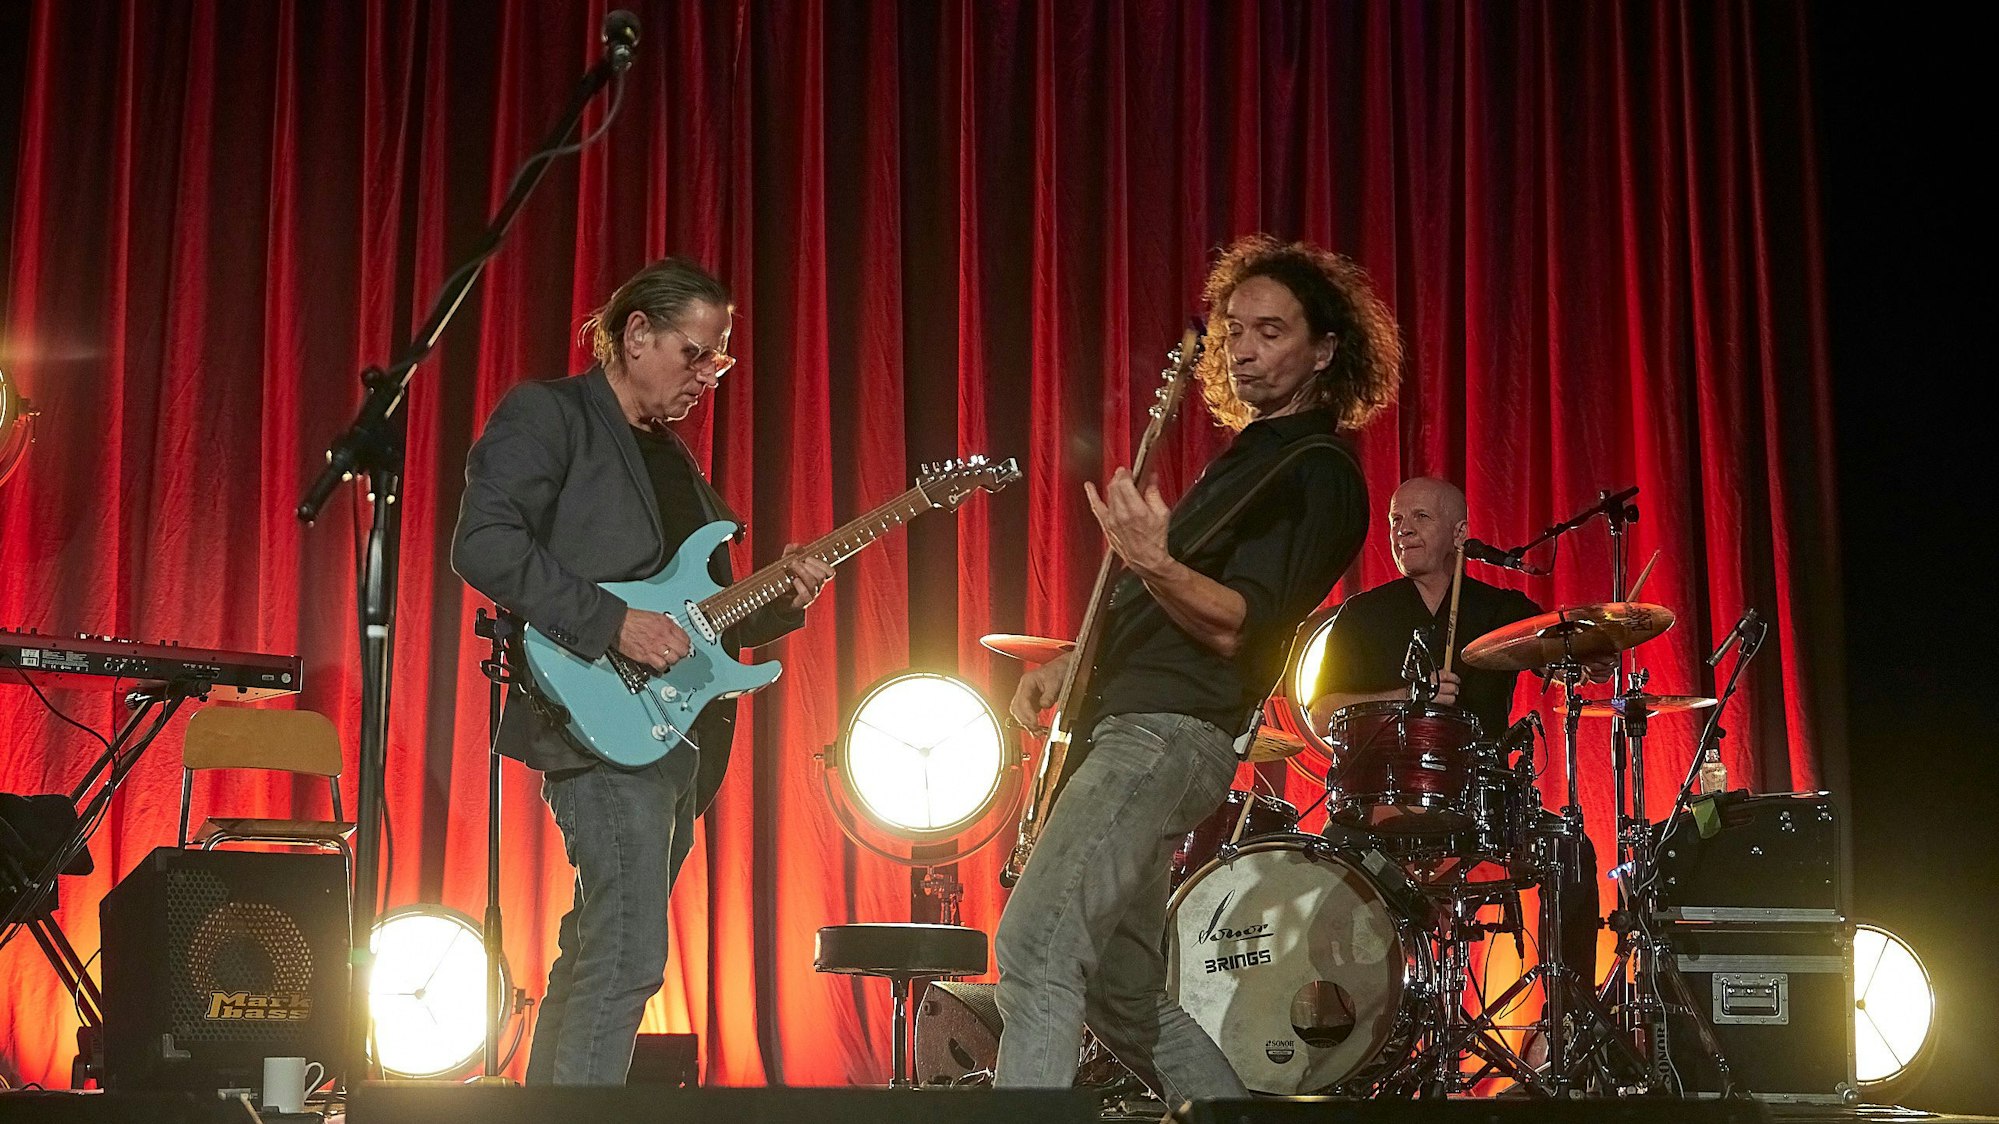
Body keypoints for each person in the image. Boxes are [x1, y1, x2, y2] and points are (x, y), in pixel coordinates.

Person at [996, 234, 1402, 1101]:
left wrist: (1153, 561)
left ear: (1324, 350)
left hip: (1162, 737)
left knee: (1035, 950)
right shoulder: (1252, 455)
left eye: (1269, 331)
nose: (1243, 349)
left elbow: (1241, 630)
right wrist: (1075, 661)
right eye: (1233, 331)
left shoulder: (1316, 471)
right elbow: (1172, 608)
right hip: (1142, 727)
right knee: (1122, 995)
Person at [451, 257, 833, 1085]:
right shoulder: (551, 414)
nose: (709, 376)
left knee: (596, 946)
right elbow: (483, 543)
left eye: (719, 360)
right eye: (696, 354)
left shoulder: (671, 457)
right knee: (627, 957)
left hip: (670, 737)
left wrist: (785, 594)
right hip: (592, 717)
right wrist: (610, 621)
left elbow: (702, 615)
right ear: (634, 334)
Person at [1308, 476, 1540, 740]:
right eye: (1396, 519)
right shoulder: (1361, 613)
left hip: (1480, 778)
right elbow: (1321, 717)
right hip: (1386, 778)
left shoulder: (1503, 609)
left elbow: (1561, 652)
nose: (1403, 530)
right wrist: (1409, 696)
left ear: (1459, 533)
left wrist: (1589, 660)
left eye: (1421, 516)